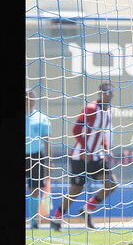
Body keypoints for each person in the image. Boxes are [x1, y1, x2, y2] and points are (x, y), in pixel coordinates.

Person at [50, 82, 119, 231]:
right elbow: (76, 129)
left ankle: (87, 209)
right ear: (100, 93)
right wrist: (85, 150)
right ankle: (56, 219)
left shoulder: (108, 111)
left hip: (96, 156)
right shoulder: (91, 108)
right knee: (76, 189)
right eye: (106, 92)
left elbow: (101, 132)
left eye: (111, 92)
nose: (109, 94)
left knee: (111, 184)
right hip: (80, 156)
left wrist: (106, 146)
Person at [26, 89, 52, 229]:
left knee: (35, 189)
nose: (30, 99)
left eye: (32, 97)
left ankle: (33, 221)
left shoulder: (40, 117)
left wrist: (49, 161)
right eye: (27, 97)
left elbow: (47, 140)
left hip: (36, 156)